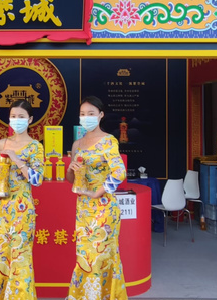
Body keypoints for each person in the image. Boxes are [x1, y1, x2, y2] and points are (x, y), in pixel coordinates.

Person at [0, 99, 44, 300]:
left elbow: (37, 180)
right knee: (1, 253)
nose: (16, 120)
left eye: (21, 117)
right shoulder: (2, 143)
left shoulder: (35, 146)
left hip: (23, 208)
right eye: (13, 116)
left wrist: (17, 159)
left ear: (30, 119)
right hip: (3, 207)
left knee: (20, 255)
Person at [65, 96, 127, 300]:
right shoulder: (77, 144)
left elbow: (119, 172)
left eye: (91, 113)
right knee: (85, 257)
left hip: (104, 208)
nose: (86, 117)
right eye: (83, 114)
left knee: (101, 256)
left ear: (101, 115)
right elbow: (71, 180)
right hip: (83, 209)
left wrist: (97, 192)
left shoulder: (108, 141)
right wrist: (71, 169)